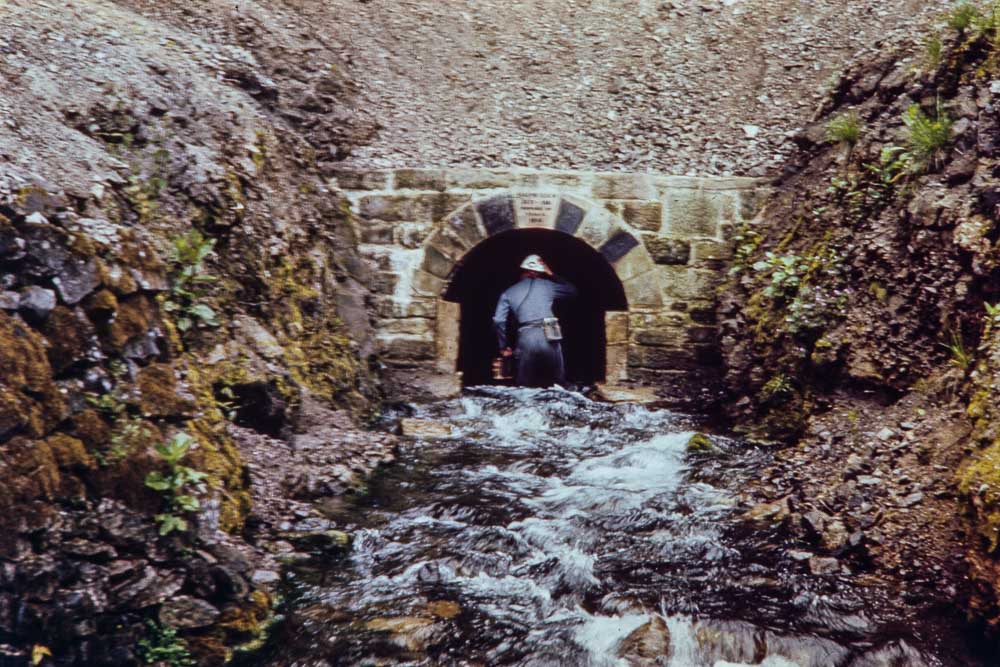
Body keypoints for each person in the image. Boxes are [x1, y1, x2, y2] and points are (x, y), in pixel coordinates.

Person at [493, 254, 578, 387]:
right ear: (538, 272)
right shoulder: (548, 285)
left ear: (523, 272)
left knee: (524, 385)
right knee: (558, 383)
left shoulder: (508, 292)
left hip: (527, 331)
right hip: (551, 327)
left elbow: (498, 320)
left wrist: (503, 346)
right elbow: (572, 291)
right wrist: (551, 274)